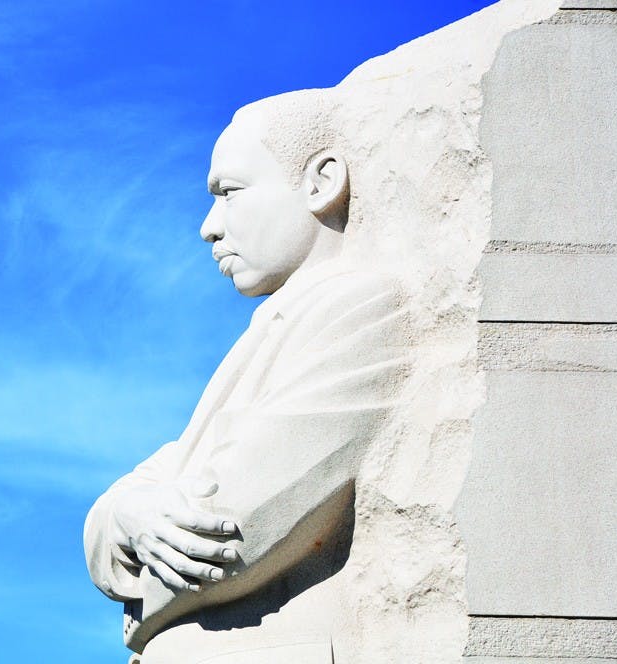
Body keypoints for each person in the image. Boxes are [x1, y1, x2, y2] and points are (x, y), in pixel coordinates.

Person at [84, 89, 414, 664]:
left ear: (321, 182)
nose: (209, 228)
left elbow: (227, 530)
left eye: (230, 193)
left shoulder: (363, 311)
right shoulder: (270, 333)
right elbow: (149, 485)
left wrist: (139, 597)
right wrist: (130, 516)